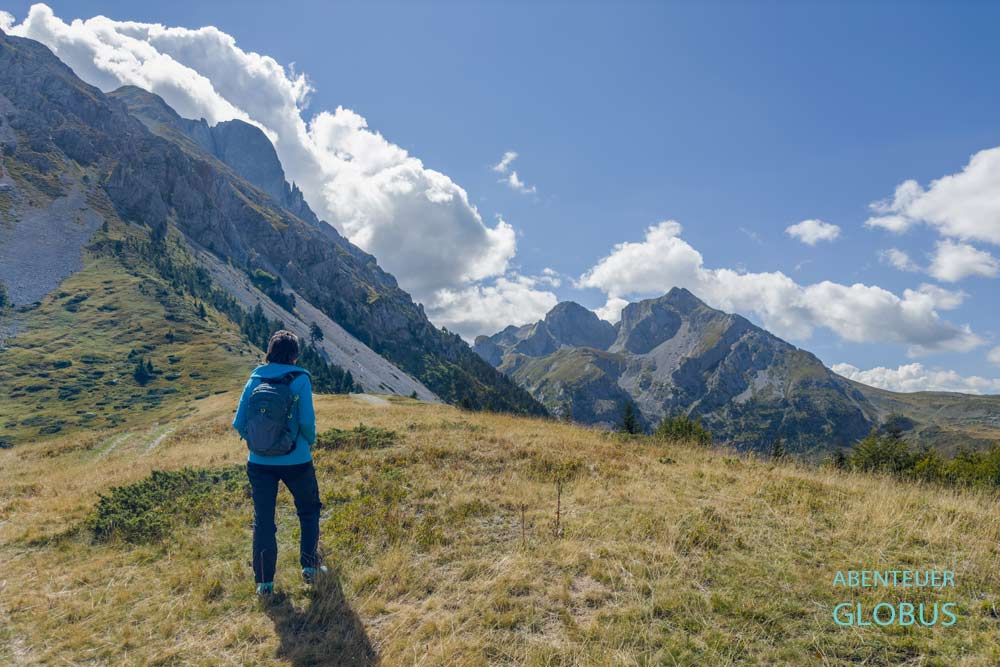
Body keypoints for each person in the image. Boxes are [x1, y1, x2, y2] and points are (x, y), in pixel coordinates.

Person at [233, 330, 324, 595]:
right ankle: (309, 568)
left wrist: (259, 442)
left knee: (263, 520)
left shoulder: (255, 377)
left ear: (270, 351)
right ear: (295, 354)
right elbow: (307, 420)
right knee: (308, 511)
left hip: (259, 464)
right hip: (297, 459)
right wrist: (308, 441)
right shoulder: (301, 378)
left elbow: (238, 422)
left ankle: (264, 584)